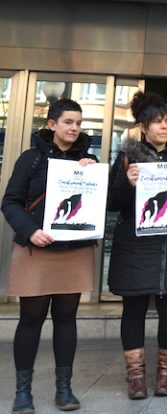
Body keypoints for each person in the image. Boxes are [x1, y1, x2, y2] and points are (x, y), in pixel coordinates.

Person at [107, 91, 167, 399]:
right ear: (143, 126)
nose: (164, 127)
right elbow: (111, 202)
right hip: (135, 245)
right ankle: (136, 377)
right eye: (157, 122)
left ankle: (165, 376)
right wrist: (127, 181)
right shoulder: (127, 157)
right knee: (133, 308)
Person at [2, 99, 98, 413]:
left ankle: (64, 390)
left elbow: (99, 203)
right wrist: (30, 231)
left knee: (67, 319)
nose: (74, 128)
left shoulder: (89, 160)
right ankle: (23, 393)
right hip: (36, 248)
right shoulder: (31, 159)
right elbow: (11, 202)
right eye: (68, 122)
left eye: (79, 123)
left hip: (74, 249)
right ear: (52, 124)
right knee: (31, 318)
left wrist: (92, 173)